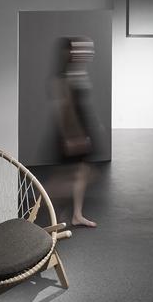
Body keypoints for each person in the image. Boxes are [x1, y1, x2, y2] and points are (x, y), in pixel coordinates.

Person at [52, 36, 99, 227]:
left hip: (80, 130)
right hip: (72, 133)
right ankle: (46, 203)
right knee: (74, 175)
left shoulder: (76, 73)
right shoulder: (62, 78)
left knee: (82, 173)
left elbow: (80, 106)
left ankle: (76, 215)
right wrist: (71, 136)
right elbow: (65, 109)